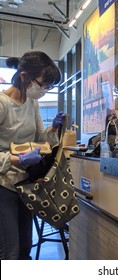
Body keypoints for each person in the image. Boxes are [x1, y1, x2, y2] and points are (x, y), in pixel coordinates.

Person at [0, 51, 64, 260]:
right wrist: (16, 159)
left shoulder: (32, 103)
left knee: (25, 248)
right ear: (24, 75)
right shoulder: (2, 104)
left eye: (49, 87)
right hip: (3, 185)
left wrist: (53, 129)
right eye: (43, 84)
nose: (45, 90)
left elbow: (40, 138)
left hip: (24, 185)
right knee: (9, 251)